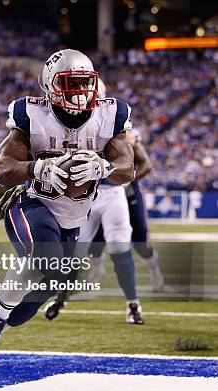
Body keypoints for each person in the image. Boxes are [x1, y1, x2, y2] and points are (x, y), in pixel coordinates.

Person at [0, 49, 135, 391]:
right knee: (43, 258)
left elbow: (128, 167)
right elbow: (0, 169)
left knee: (26, 307)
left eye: (85, 84)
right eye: (71, 84)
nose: (80, 93)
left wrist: (105, 167)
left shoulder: (111, 116)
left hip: (72, 221)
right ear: (51, 87)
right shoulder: (32, 115)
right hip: (32, 207)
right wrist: (35, 167)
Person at [43, 79, 145, 324]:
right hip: (84, 199)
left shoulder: (114, 122)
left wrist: (106, 168)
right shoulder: (61, 124)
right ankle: (61, 297)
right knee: (74, 254)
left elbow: (130, 166)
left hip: (111, 194)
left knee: (120, 246)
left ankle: (133, 303)